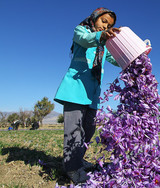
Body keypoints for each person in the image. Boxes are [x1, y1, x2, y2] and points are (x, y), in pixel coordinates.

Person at [54, 7, 120, 184]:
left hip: (92, 95)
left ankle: (77, 159)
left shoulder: (103, 44)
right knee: (74, 130)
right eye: (103, 21)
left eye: (109, 25)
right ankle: (71, 169)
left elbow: (116, 58)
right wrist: (102, 37)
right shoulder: (81, 30)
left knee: (88, 130)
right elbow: (84, 40)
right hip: (75, 91)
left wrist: (134, 56)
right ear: (95, 18)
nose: (105, 27)